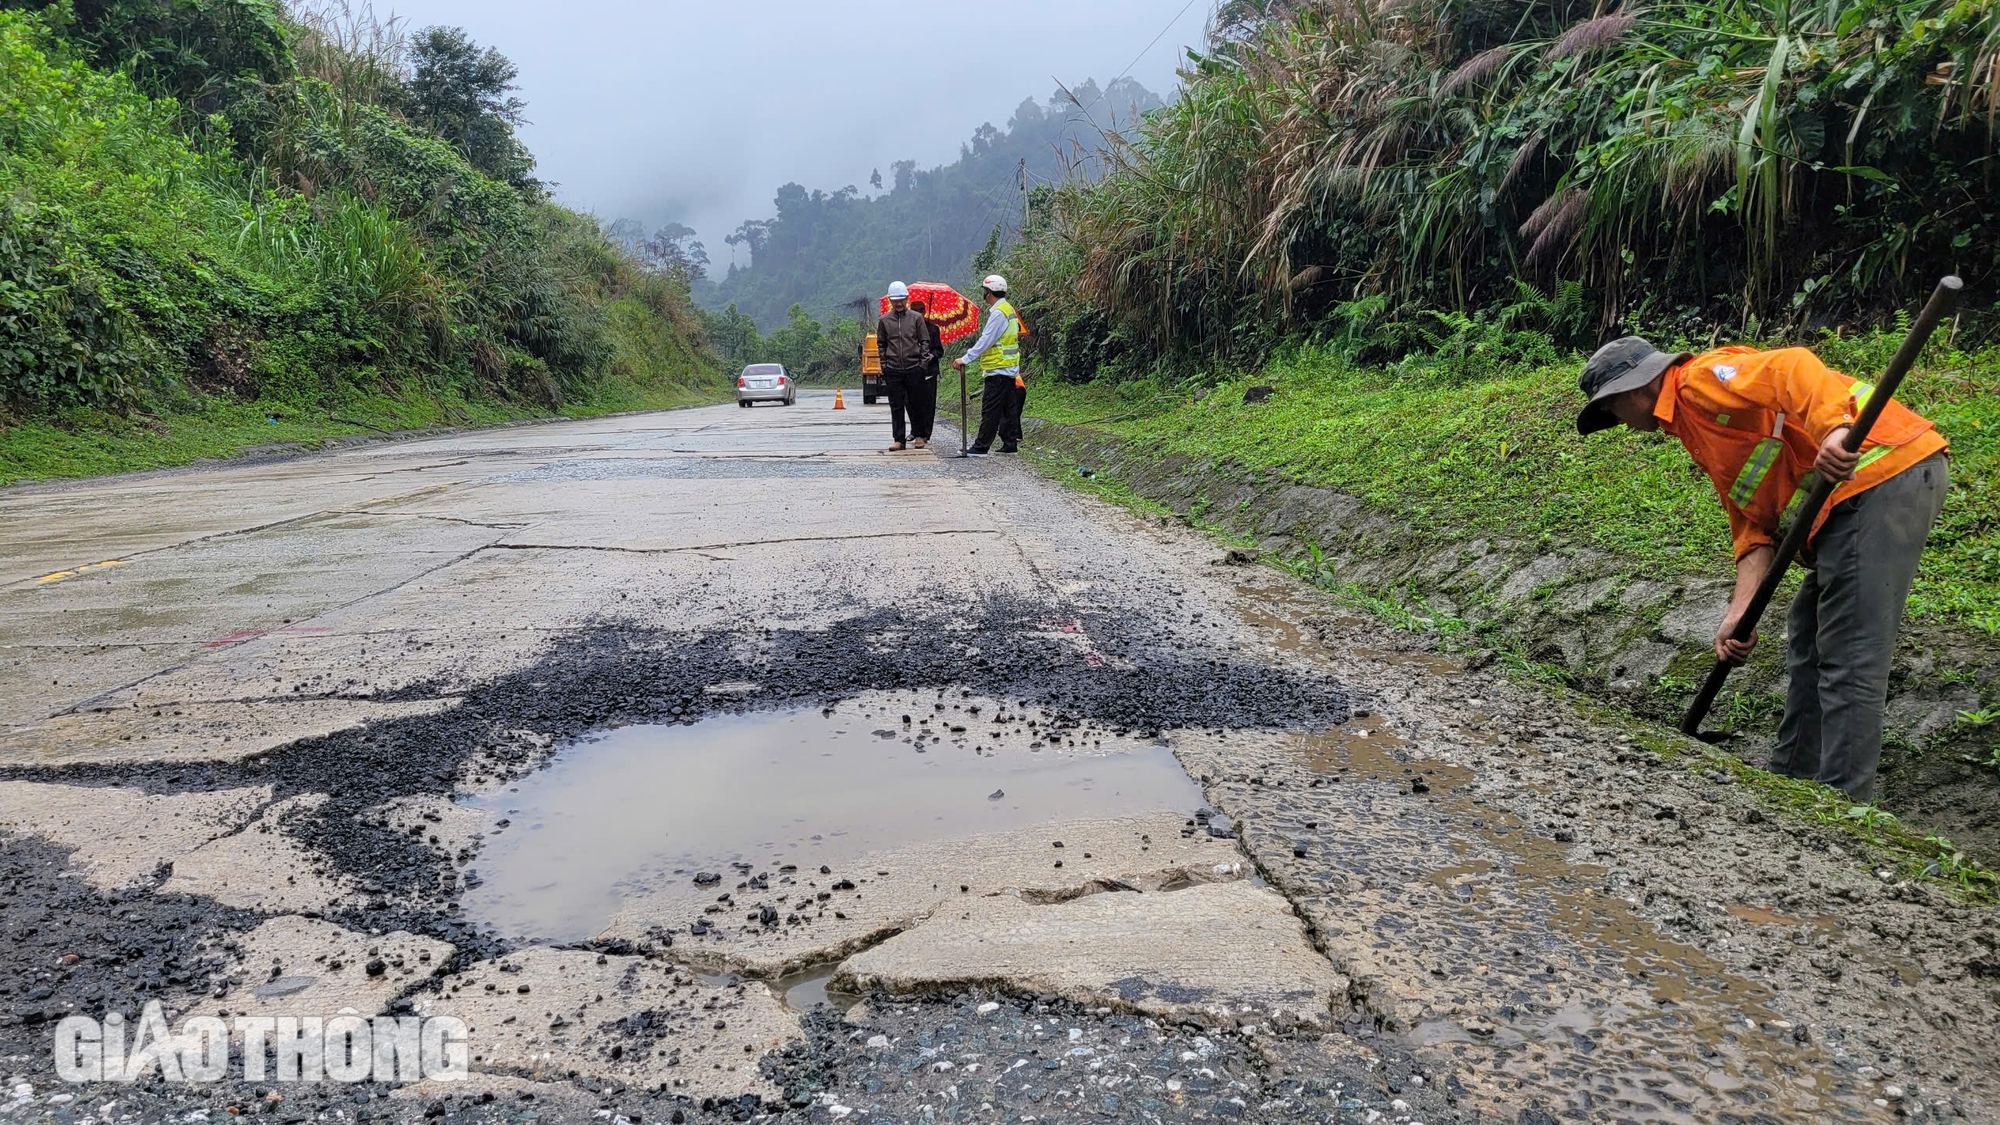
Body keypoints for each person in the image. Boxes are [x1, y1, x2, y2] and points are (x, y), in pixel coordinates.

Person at [1577, 337, 1949, 800]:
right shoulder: (1696, 426)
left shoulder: (1698, 382)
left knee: (1850, 648)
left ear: (1633, 391)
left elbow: (1793, 366)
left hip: (1884, 474)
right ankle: (1791, 778)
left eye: (1611, 411)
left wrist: (1833, 430)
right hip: (1854, 499)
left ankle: (1842, 803)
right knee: (1809, 631)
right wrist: (1739, 613)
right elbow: (1753, 524)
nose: (1619, 424)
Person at [952, 274, 1026, 456]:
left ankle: (981, 446)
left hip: (998, 369)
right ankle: (1010, 443)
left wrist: (966, 358)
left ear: (988, 293)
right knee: (1009, 408)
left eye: (985, 292)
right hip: (1008, 369)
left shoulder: (999, 313)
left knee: (991, 409)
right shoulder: (1008, 309)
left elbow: (987, 340)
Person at [874, 281, 935, 451]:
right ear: (890, 301)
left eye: (901, 299)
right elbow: (881, 344)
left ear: (907, 299)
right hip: (893, 369)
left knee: (918, 403)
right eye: (895, 300)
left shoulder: (916, 318)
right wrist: (884, 365)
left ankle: (920, 436)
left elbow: (924, 340)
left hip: (914, 367)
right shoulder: (884, 320)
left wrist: (922, 364)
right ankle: (899, 439)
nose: (899, 303)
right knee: (896, 405)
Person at [906, 298, 943, 448]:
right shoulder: (907, 329)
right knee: (910, 402)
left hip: (929, 372)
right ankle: (915, 430)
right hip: (911, 370)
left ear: (924, 312)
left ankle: (926, 433)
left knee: (928, 404)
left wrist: (931, 356)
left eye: (919, 312)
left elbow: (939, 350)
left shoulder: (933, 329)